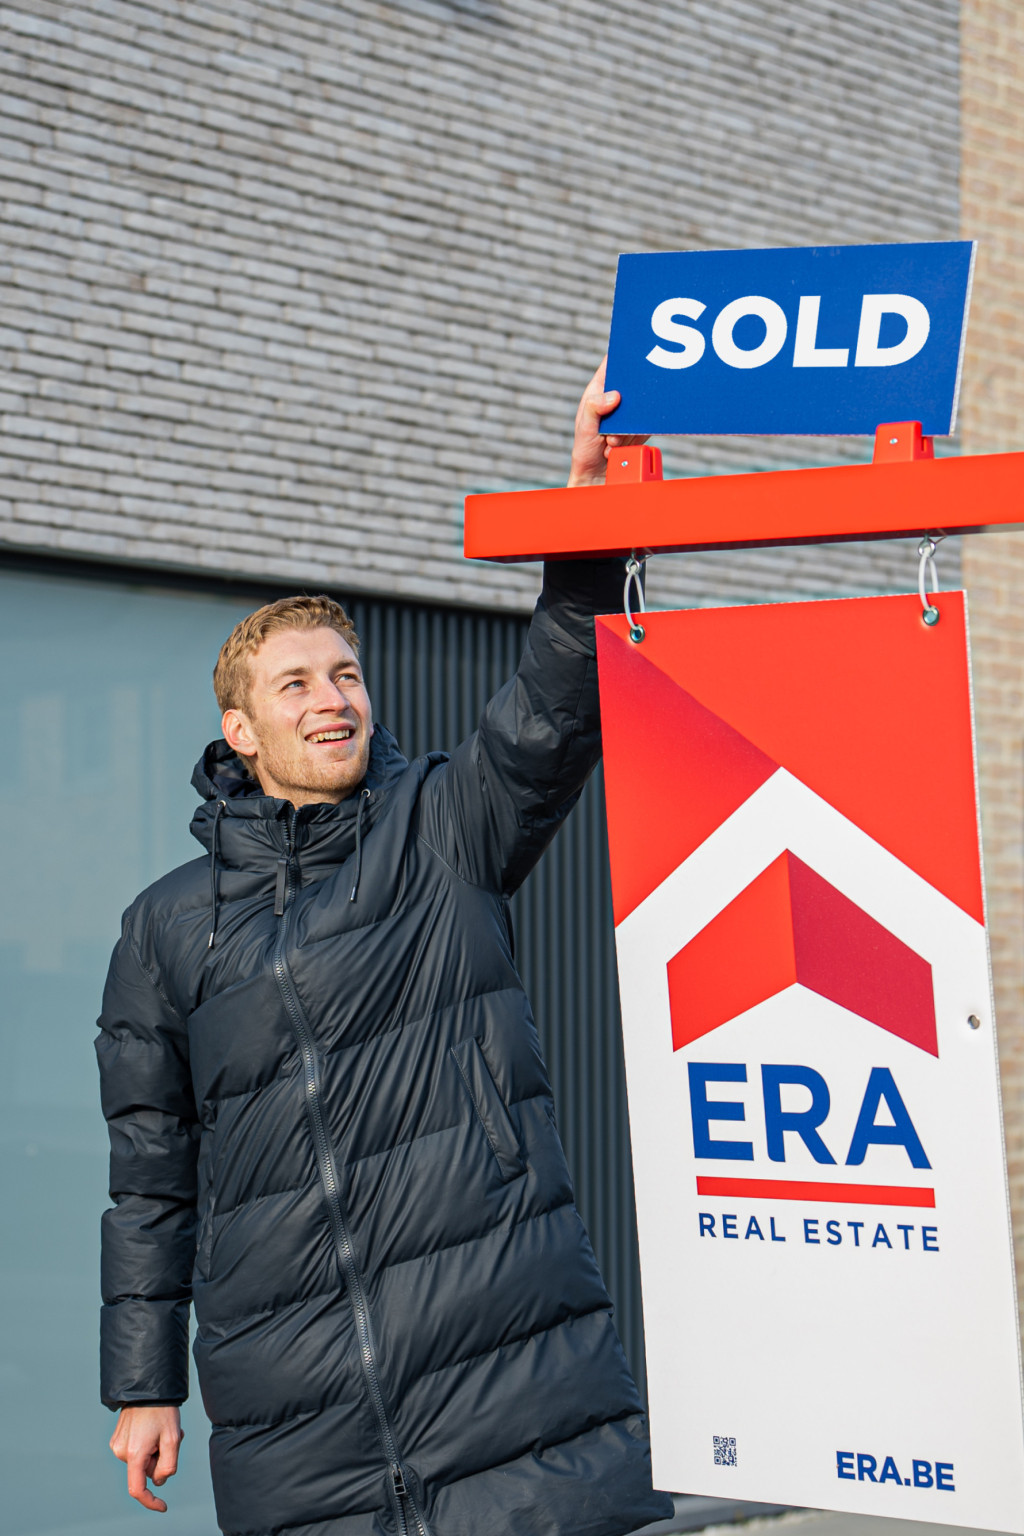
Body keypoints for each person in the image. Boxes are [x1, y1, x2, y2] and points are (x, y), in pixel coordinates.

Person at [97, 361, 673, 1536]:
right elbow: (151, 1176)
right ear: (240, 730)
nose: (333, 698)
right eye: (296, 681)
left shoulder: (441, 826)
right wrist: (145, 1380)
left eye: (347, 674)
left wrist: (584, 525)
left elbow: (554, 707)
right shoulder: (167, 926)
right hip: (292, 1410)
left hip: (506, 1379)